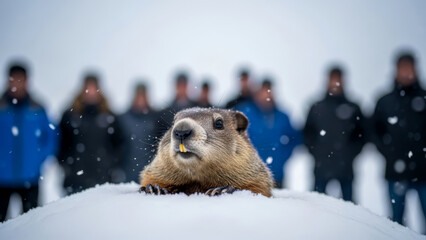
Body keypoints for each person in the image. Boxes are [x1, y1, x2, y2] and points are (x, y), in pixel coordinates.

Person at [372, 52, 426, 228]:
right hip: (396, 172)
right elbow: (373, 131)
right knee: (396, 226)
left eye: (409, 67)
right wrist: (389, 151)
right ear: (396, 70)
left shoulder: (424, 99)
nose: (406, 72)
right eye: (402, 68)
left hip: (424, 172)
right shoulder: (385, 102)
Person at [0, 62, 56, 221]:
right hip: (1, 178)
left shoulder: (37, 108)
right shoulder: (1, 107)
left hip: (30, 177)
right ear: (8, 80)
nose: (17, 83)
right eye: (14, 79)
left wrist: (39, 159)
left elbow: (50, 136)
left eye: (21, 79)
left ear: (27, 80)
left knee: (31, 225)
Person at [303, 66, 365, 202]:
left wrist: (350, 154)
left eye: (338, 79)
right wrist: (317, 153)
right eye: (332, 79)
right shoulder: (316, 107)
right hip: (321, 167)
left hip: (346, 168)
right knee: (317, 208)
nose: (335, 83)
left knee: (351, 213)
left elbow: (362, 135)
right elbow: (307, 133)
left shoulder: (353, 107)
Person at [57, 74, 124, 195]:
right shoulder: (70, 115)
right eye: (88, 87)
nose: (91, 92)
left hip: (103, 178)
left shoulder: (109, 116)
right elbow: (60, 142)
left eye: (94, 88)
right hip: (75, 179)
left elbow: (119, 143)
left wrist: (112, 164)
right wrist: (66, 164)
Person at [237, 79, 302, 188]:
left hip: (277, 175)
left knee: (279, 204)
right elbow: (234, 138)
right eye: (264, 92)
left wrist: (283, 157)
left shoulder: (283, 116)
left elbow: (294, 139)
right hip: (250, 176)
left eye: (269, 91)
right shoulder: (245, 112)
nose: (267, 95)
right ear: (258, 93)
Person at [119, 82, 157, 182]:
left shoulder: (155, 118)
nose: (141, 100)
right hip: (128, 172)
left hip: (150, 172)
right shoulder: (123, 119)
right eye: (138, 96)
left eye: (143, 96)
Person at [155, 72, 197, 138]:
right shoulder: (165, 113)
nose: (182, 89)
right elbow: (159, 137)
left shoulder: (198, 108)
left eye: (184, 86)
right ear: (175, 86)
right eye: (179, 86)